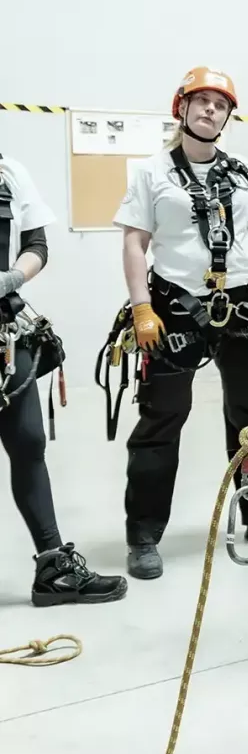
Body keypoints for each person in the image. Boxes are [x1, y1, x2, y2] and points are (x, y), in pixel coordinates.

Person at [113, 66, 248, 581]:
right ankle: (144, 533)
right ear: (182, 108)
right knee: (161, 420)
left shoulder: (244, 172)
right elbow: (134, 241)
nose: (211, 110)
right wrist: (140, 307)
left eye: (220, 104)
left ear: (228, 117)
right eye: (201, 101)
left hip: (241, 304)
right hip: (173, 308)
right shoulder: (153, 172)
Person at [0, 156, 127, 605]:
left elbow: (37, 244)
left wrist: (12, 278)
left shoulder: (10, 171)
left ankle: (52, 566)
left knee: (29, 442)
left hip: (5, 337)